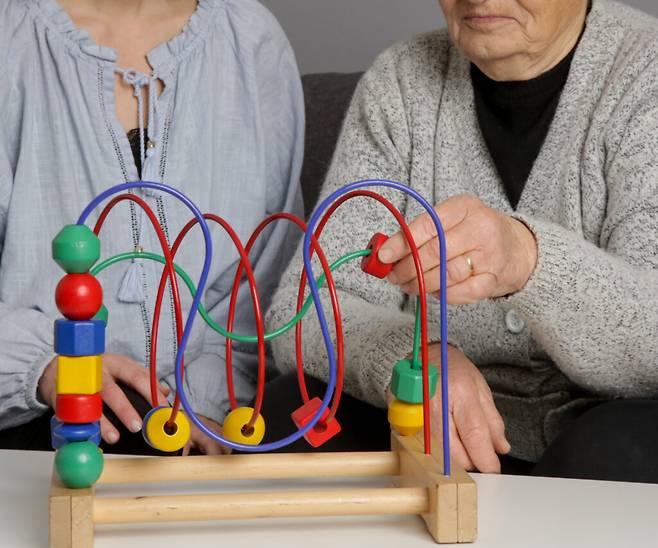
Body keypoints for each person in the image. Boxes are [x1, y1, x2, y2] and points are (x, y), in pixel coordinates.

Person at [266, 0, 658, 482]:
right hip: (430, 425)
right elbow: (302, 311)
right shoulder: (401, 80)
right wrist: (418, 359)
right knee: (288, 412)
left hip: (604, 426)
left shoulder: (646, 72)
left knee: (610, 449)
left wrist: (526, 261)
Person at [0, 0, 303, 455]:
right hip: (32, 428)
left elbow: (267, 281)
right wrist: (42, 364)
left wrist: (205, 400)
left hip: (208, 432)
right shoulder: (11, 38)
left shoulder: (252, 39)